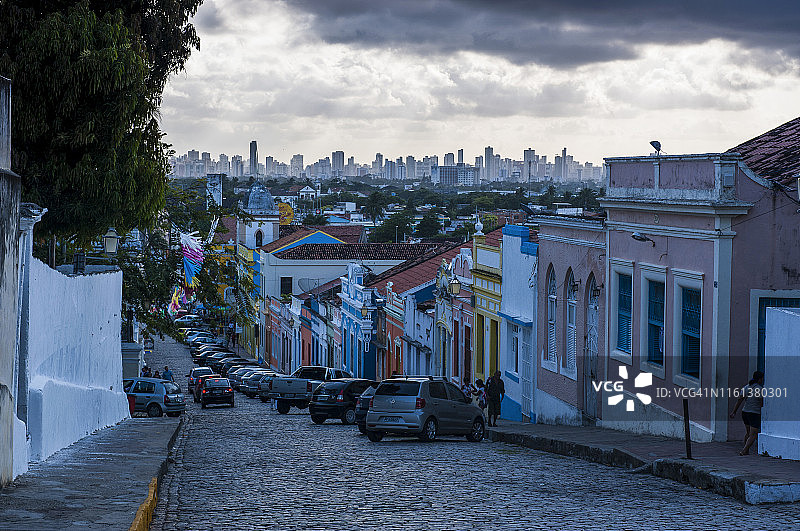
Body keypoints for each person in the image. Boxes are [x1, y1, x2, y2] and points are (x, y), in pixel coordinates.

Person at [730, 370, 765, 456]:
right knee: (753, 434)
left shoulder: (746, 387)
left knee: (748, 433)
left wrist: (734, 411)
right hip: (754, 413)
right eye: (762, 378)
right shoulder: (760, 389)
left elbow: (739, 400)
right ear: (760, 379)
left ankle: (747, 450)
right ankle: (744, 450)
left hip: (745, 412)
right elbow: (761, 404)